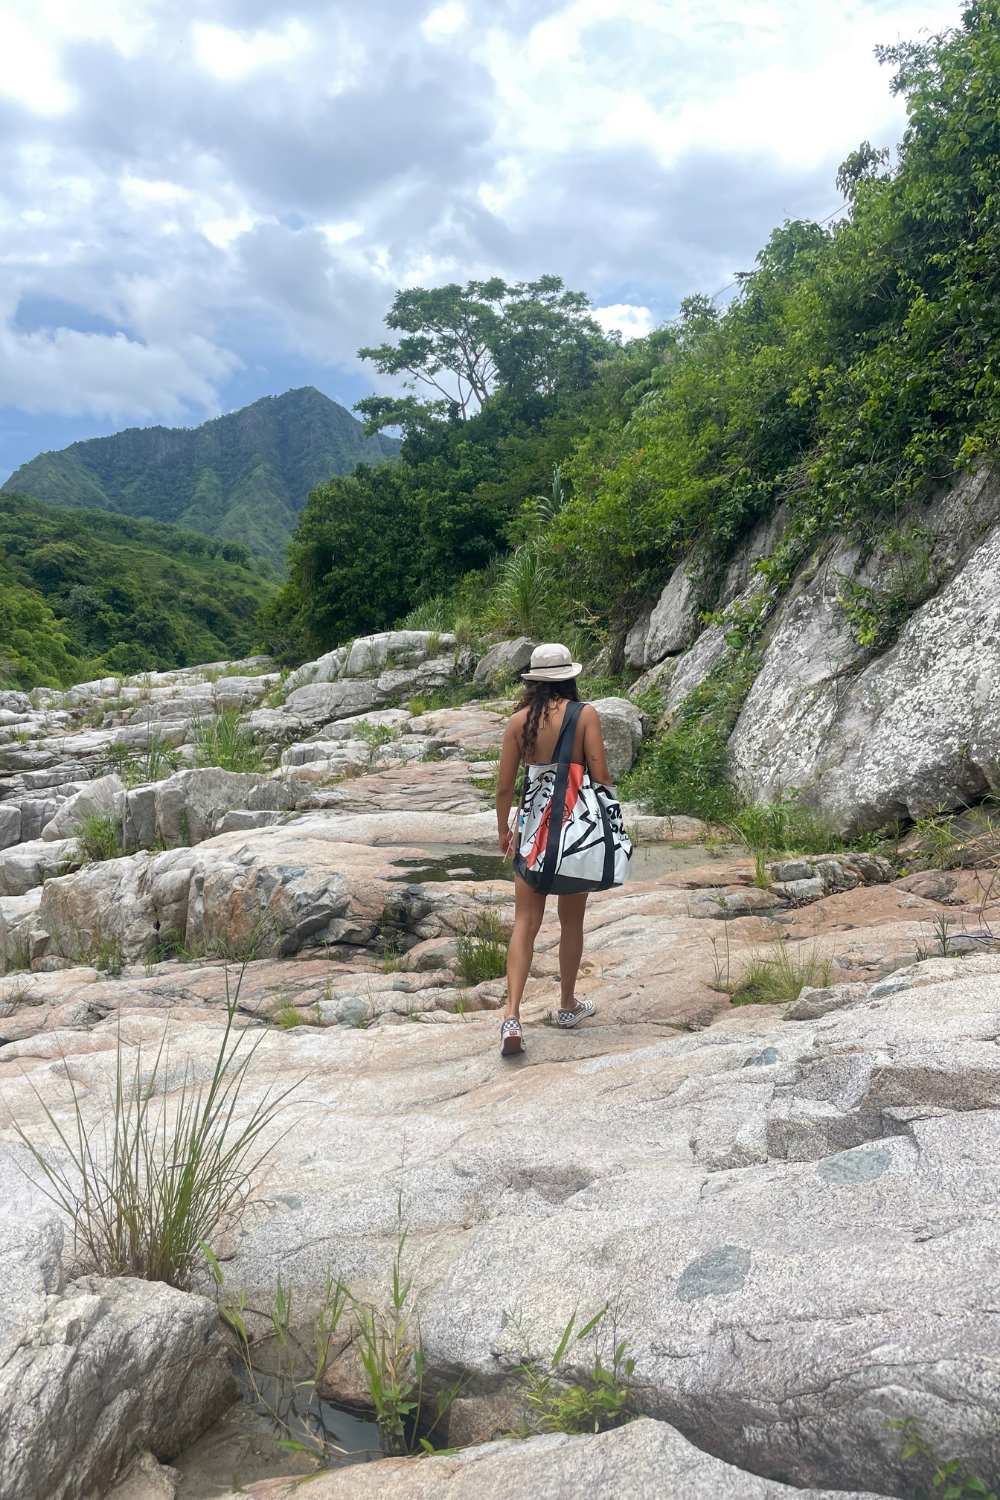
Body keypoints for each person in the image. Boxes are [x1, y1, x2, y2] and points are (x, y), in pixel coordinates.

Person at [494, 642, 614, 1056]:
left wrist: (502, 832)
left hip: (532, 830)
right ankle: (566, 1006)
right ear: (570, 677)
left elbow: (505, 787)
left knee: (525, 920)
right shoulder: (586, 716)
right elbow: (600, 775)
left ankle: (512, 1015)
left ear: (533, 683)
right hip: (574, 832)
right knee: (571, 921)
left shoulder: (517, 723)